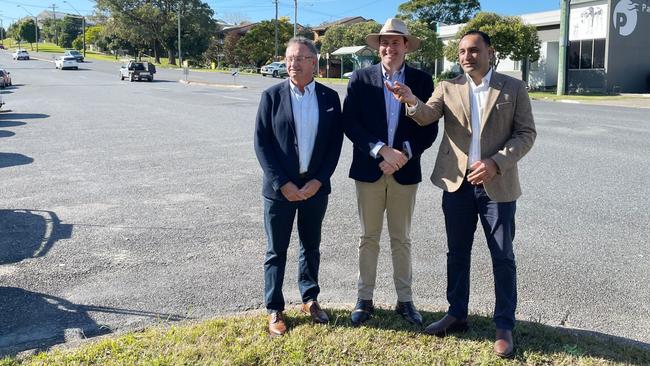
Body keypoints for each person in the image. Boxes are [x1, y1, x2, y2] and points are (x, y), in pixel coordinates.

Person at [386, 30, 536, 358]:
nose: (467, 56)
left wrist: (497, 163)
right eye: (462, 52)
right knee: (457, 254)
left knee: (502, 256)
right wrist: (411, 100)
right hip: (457, 185)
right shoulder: (449, 87)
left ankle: (504, 324)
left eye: (473, 50)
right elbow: (427, 116)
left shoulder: (513, 88)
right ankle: (456, 314)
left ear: (489, 52)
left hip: (498, 186)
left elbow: (526, 133)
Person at [342, 18, 438, 326]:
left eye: (396, 42)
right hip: (369, 169)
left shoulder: (422, 81)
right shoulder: (360, 78)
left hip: (405, 171)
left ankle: (405, 301)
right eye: (384, 41)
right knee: (368, 237)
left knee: (402, 238)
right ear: (378, 46)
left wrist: (403, 154)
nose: (389, 47)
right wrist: (381, 150)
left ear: (406, 46)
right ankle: (364, 299)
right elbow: (350, 123)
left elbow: (430, 126)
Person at [254, 37, 344, 337]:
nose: (292, 63)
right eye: (289, 58)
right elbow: (262, 144)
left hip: (315, 188)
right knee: (275, 251)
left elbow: (334, 145)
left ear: (314, 62)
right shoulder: (271, 96)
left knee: (311, 246)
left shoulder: (330, 98)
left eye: (299, 58)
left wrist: (319, 180)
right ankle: (274, 308)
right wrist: (283, 184)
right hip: (280, 190)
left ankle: (309, 299)